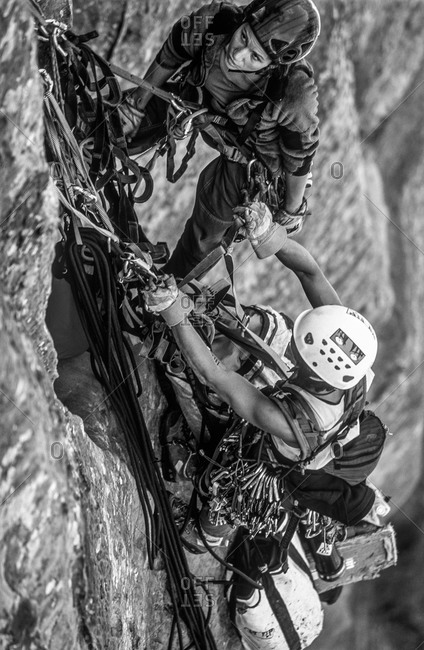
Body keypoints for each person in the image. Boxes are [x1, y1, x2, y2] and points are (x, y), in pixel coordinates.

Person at [143, 202, 382, 554]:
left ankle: (206, 532)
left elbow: (215, 375)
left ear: (314, 373)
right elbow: (311, 274)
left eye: (299, 354)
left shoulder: (287, 422)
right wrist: (272, 237)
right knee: (270, 327)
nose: (295, 352)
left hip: (272, 458)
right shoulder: (352, 358)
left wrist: (173, 313)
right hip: (318, 419)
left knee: (234, 488)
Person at [120, 0, 321, 277]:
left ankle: (169, 290)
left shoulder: (293, 92)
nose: (238, 55)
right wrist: (136, 105)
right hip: (195, 103)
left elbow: (300, 158)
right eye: (243, 38)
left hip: (251, 158)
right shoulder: (215, 21)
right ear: (243, 20)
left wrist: (291, 209)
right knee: (119, 123)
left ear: (272, 65)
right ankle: (86, 154)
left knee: (207, 234)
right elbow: (174, 50)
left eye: (255, 58)